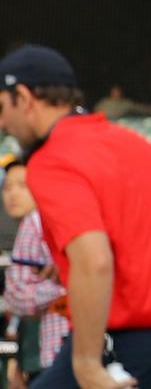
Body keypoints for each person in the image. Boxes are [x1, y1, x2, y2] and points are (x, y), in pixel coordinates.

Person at [0, 45, 151, 389]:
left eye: (2, 108)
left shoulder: (51, 159)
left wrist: (87, 365)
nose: (3, 123)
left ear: (24, 97)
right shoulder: (141, 146)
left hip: (121, 348)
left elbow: (93, 262)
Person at [3, 160, 68, 384]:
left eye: (22, 185)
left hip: (60, 350)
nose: (13, 194)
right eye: (7, 187)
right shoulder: (31, 225)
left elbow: (18, 297)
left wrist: (67, 281)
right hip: (46, 350)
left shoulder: (35, 222)